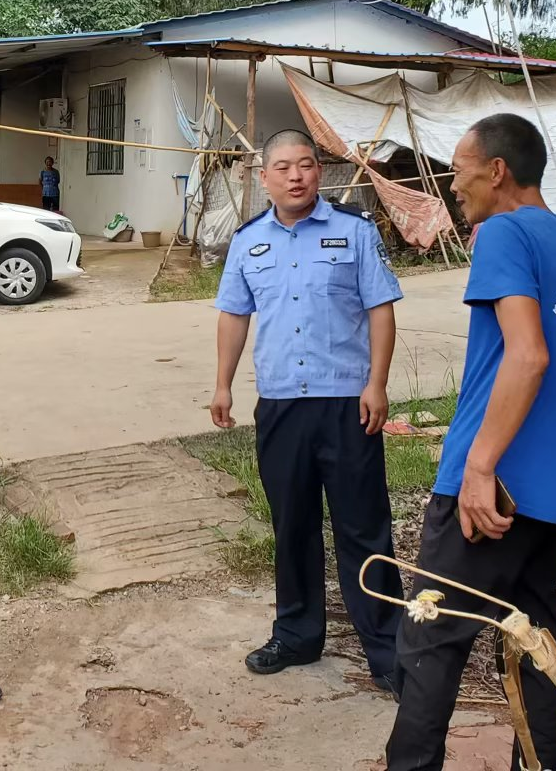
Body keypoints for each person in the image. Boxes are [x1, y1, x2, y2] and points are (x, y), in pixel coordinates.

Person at [385, 114, 556, 771]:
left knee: (430, 642)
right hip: (553, 491)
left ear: (497, 171)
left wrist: (480, 465)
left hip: (495, 488)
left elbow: (530, 356)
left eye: (459, 170)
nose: (452, 185)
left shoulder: (504, 233)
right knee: (535, 644)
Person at [211, 129, 405, 692]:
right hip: (281, 406)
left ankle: (389, 652)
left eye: (305, 165)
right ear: (264, 177)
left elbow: (381, 310)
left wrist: (377, 384)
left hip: (347, 403)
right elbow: (234, 315)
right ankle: (297, 635)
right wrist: (222, 385)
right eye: (283, 167)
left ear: (319, 171)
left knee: (363, 528)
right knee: (292, 525)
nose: (295, 176)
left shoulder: (356, 231)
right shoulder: (248, 241)